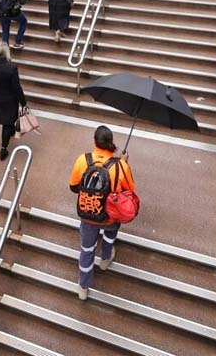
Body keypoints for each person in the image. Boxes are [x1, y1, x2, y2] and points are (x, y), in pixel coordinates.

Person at [68, 126, 135, 301]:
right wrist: (125, 163)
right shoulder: (120, 166)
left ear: (94, 142)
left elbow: (74, 187)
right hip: (110, 217)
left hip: (88, 215)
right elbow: (129, 192)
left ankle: (83, 286)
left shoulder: (83, 160)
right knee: (110, 234)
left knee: (87, 249)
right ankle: (105, 258)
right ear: (111, 143)